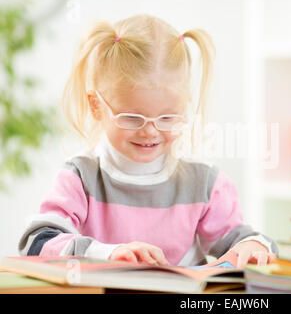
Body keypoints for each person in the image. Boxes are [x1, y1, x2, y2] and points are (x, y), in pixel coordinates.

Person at [18, 14, 277, 268]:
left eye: (167, 118)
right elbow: (37, 243)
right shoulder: (81, 178)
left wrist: (255, 246)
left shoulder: (205, 185)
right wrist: (109, 253)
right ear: (96, 106)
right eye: (132, 118)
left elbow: (242, 240)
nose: (150, 132)